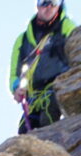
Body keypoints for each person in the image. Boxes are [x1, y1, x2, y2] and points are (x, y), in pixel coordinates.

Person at [10, 0, 76, 134]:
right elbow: (14, 73)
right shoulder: (23, 40)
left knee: (50, 116)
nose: (49, 7)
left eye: (54, 2)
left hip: (58, 88)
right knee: (24, 132)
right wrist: (16, 87)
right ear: (38, 5)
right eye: (44, 2)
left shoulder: (67, 28)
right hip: (33, 99)